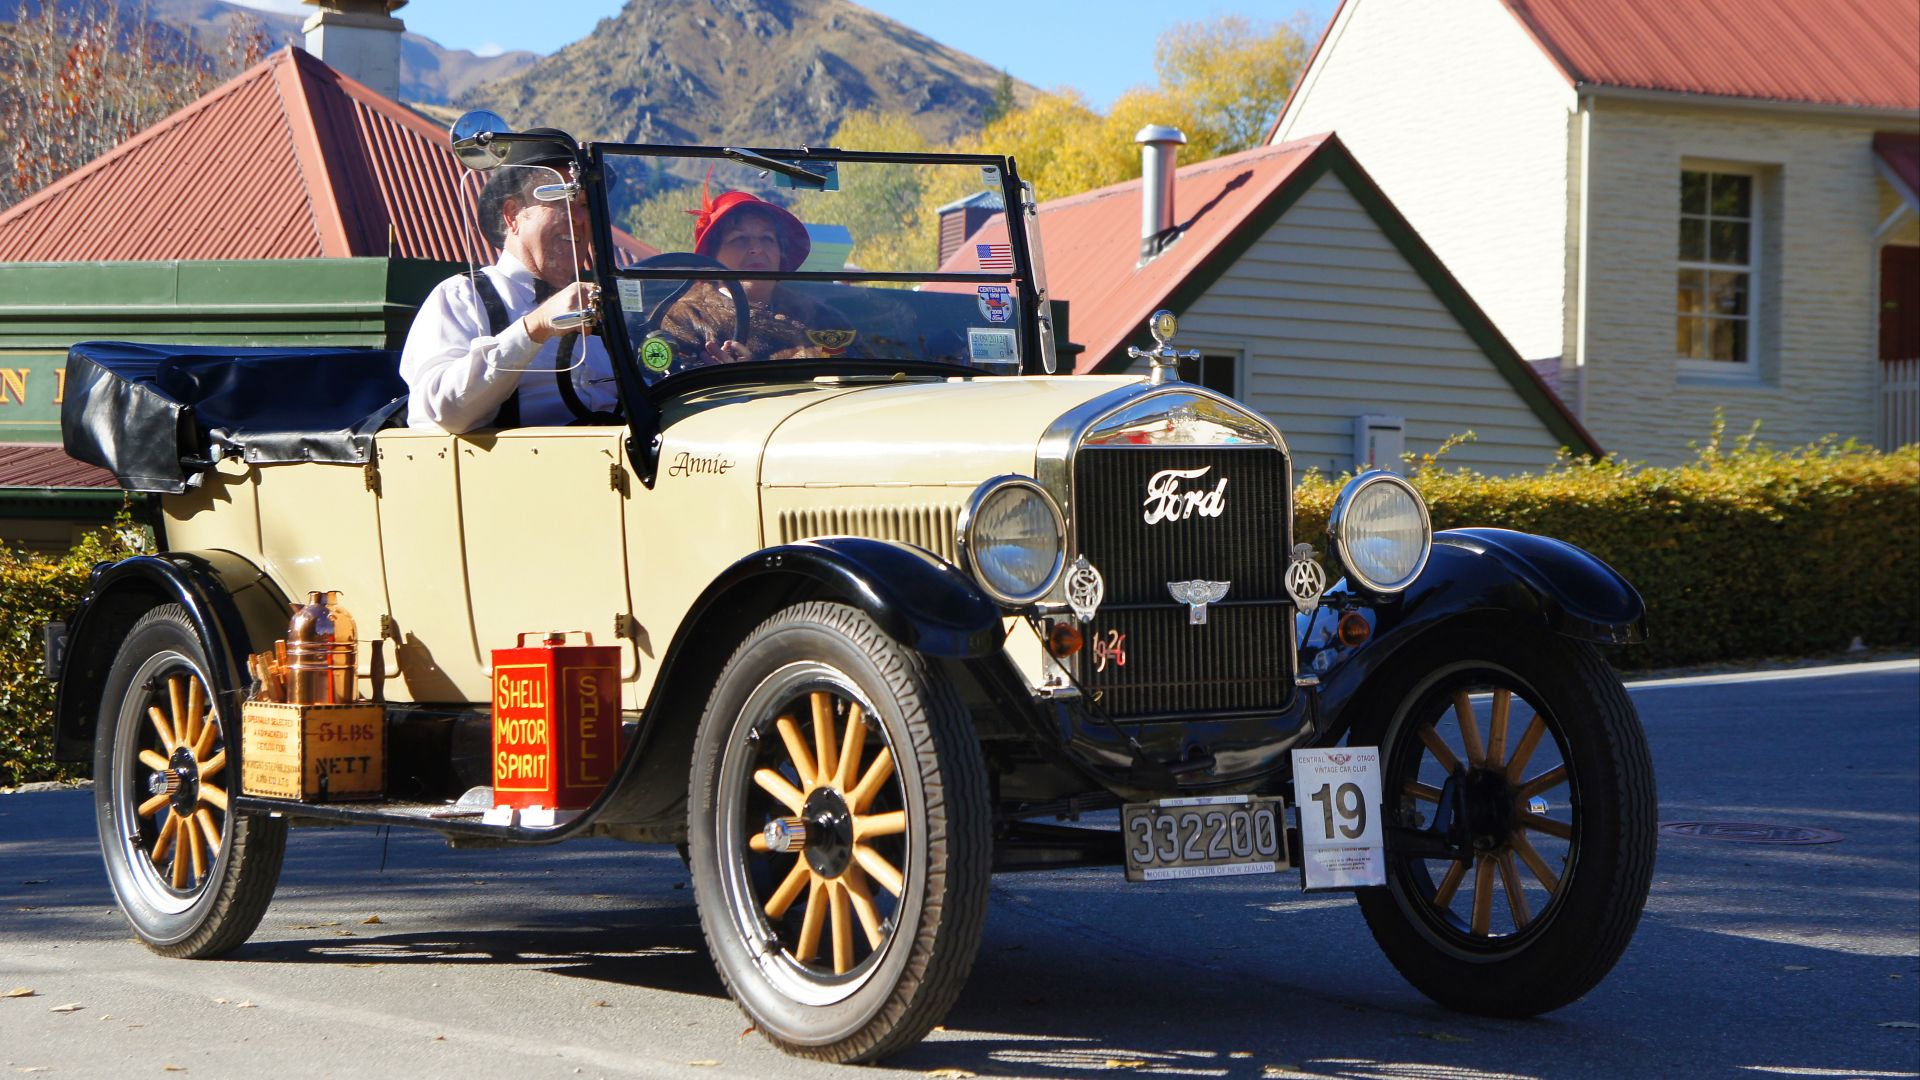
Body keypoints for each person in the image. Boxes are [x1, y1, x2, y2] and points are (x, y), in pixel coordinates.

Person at [400, 135, 618, 431]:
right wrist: (535, 327)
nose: (579, 218)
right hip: (520, 461)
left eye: (585, 205)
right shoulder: (463, 296)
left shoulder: (607, 302)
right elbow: (443, 412)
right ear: (513, 215)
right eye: (560, 200)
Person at [655, 185, 854, 366]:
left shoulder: (823, 318)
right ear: (711, 259)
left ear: (781, 254)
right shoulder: (682, 320)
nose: (757, 248)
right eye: (739, 239)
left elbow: (861, 371)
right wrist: (721, 378)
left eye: (767, 238)